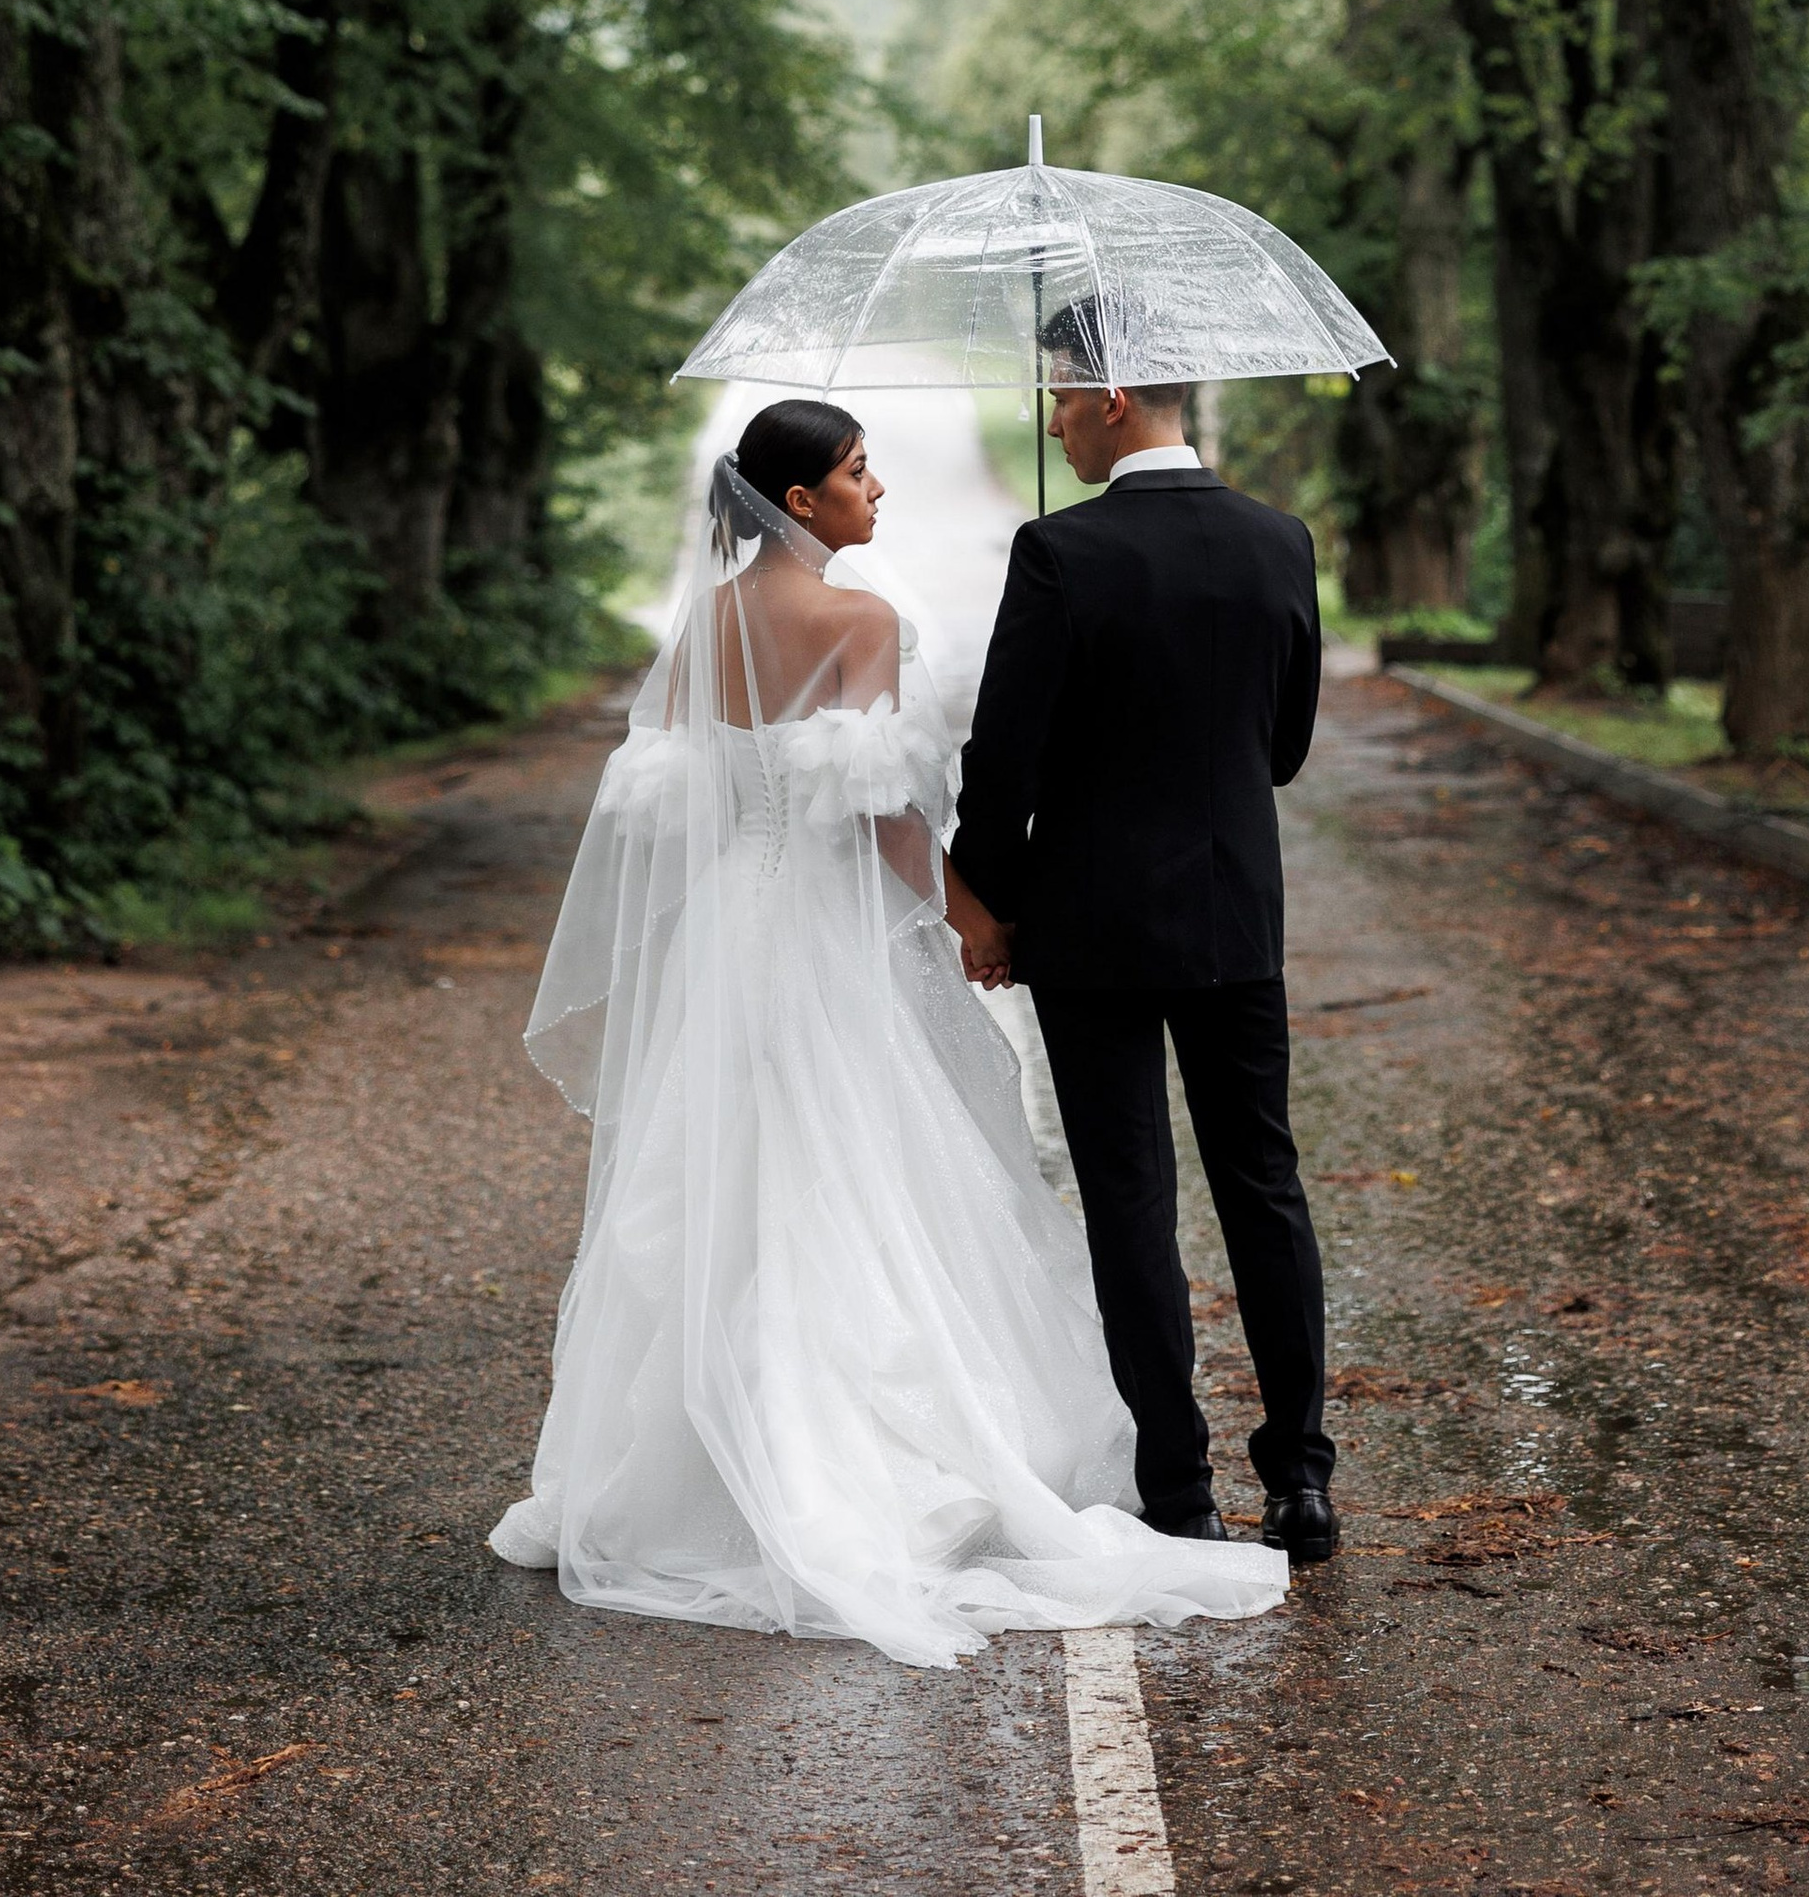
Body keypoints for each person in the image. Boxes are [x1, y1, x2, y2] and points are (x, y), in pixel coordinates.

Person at [489, 395, 1287, 1667]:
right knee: (853, 1173)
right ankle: (853, 1466)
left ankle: (690, 1477)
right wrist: (979, 918)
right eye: (859, 473)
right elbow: (884, 818)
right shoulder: (859, 623)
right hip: (827, 937)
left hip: (731, 934)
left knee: (727, 1186)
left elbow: (683, 804)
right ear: (800, 500)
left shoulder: (703, 622)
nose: (878, 492)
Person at [944, 319, 1338, 1565]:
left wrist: (985, 898)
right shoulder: (1281, 541)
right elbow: (1282, 749)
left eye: (1060, 396)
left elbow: (1003, 759)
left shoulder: (1061, 551)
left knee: (1130, 1200)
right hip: (1235, 914)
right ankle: (1302, 1483)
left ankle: (1179, 1492)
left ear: (1113, 397)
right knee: (1262, 1185)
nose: (1052, 418)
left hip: (1091, 926)